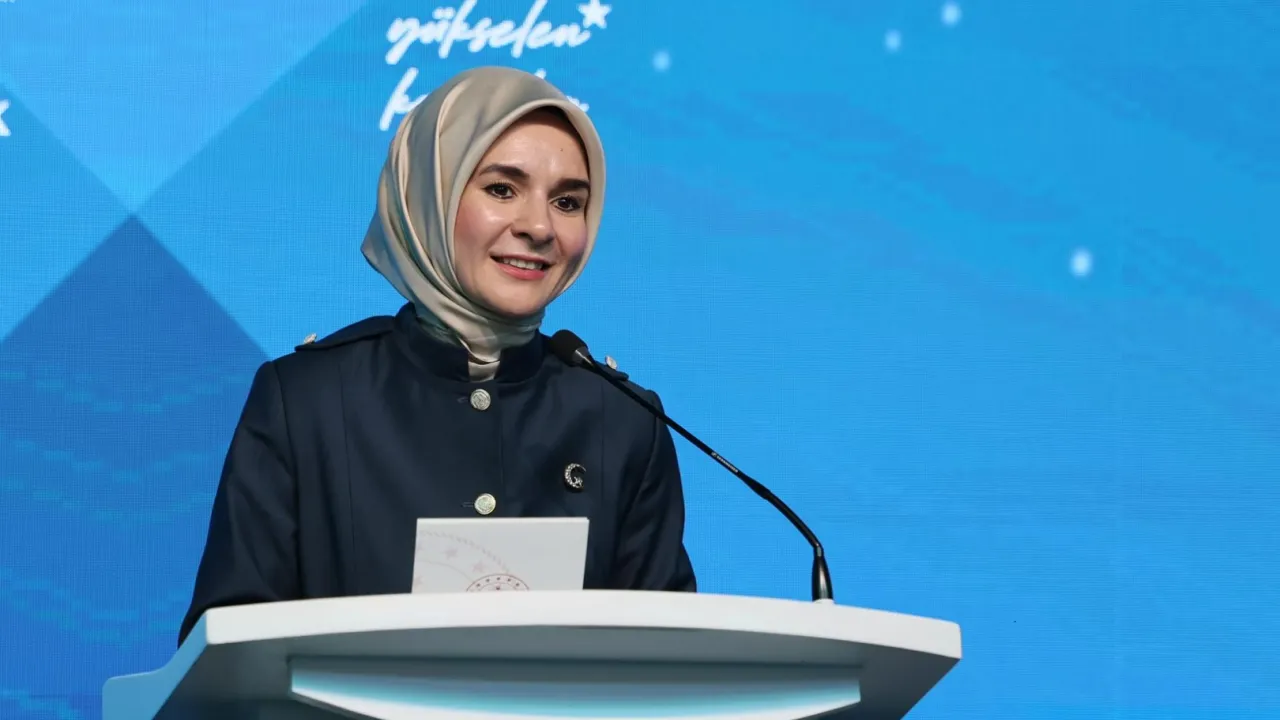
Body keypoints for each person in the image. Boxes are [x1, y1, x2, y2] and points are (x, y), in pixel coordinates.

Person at [178, 67, 696, 645]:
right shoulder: (306, 402)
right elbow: (229, 658)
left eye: (568, 201)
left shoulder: (622, 421)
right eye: (501, 189)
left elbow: (670, 661)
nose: (539, 227)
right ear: (429, 195)